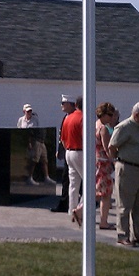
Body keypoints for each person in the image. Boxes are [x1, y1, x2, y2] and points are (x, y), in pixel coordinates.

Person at [109, 101, 139, 247]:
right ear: (136, 115)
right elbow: (112, 146)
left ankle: (138, 234)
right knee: (124, 205)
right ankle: (123, 235)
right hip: (127, 169)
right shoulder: (124, 127)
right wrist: (117, 162)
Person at [51, 95, 76, 213]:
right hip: (68, 151)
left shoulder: (73, 117)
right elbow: (62, 136)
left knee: (70, 179)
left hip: (74, 151)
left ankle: (67, 203)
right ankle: (65, 203)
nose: (62, 105)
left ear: (70, 104)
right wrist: (60, 150)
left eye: (64, 103)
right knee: (66, 178)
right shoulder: (66, 117)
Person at [18, 104, 53, 186]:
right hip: (32, 141)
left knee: (44, 160)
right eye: (27, 111)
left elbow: (37, 129)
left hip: (40, 140)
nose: (29, 112)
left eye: (30, 111)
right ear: (24, 112)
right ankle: (29, 178)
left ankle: (46, 177)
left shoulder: (35, 119)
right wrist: (28, 141)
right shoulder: (21, 120)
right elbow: (20, 130)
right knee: (34, 160)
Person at [94, 102, 117, 229]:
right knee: (106, 194)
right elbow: (107, 148)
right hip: (103, 163)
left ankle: (80, 210)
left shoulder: (95, 126)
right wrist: (114, 161)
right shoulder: (103, 128)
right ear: (103, 114)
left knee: (99, 192)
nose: (111, 117)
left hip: (97, 161)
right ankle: (103, 222)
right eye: (110, 114)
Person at [62, 96, 84, 225]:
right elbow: (85, 137)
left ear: (76, 104)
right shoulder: (83, 118)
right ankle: (80, 210)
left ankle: (72, 210)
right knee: (90, 184)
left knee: (73, 184)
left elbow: (63, 139)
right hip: (80, 151)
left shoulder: (68, 118)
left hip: (69, 151)